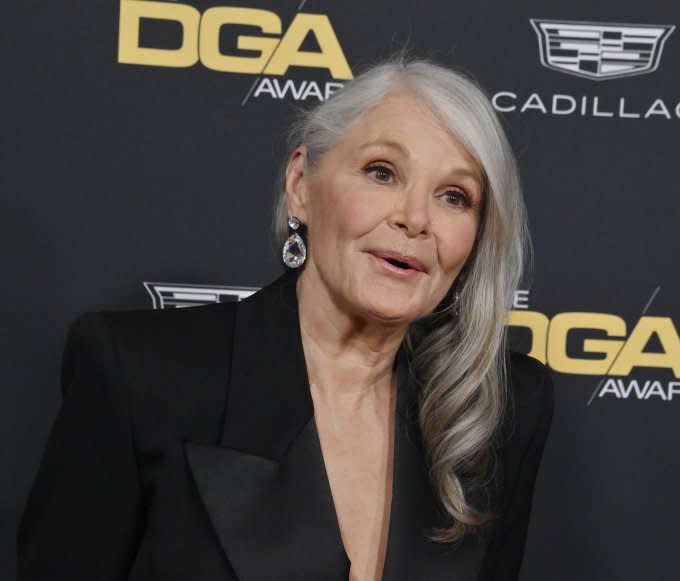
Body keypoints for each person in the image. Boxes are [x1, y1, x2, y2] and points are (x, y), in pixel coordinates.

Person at [17, 57, 554, 580]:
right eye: (382, 172)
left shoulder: (501, 413)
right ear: (301, 184)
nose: (415, 218)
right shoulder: (139, 375)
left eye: (454, 196)